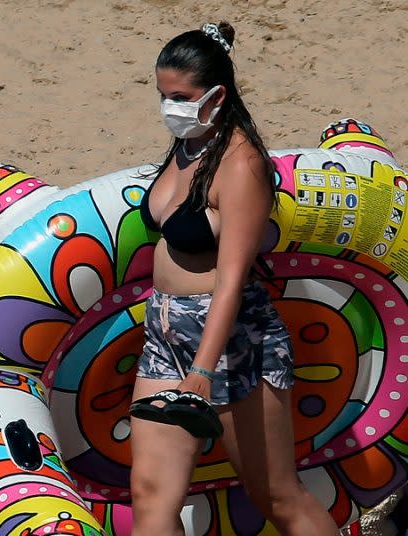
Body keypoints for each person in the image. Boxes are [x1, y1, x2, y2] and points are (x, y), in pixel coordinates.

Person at [127, 22, 339, 536]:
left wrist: (201, 373)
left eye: (181, 97)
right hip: (165, 333)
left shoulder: (240, 165)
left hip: (232, 341)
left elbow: (231, 278)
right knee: (151, 497)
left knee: (277, 496)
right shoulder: (187, 146)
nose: (169, 107)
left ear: (218, 95)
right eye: (162, 95)